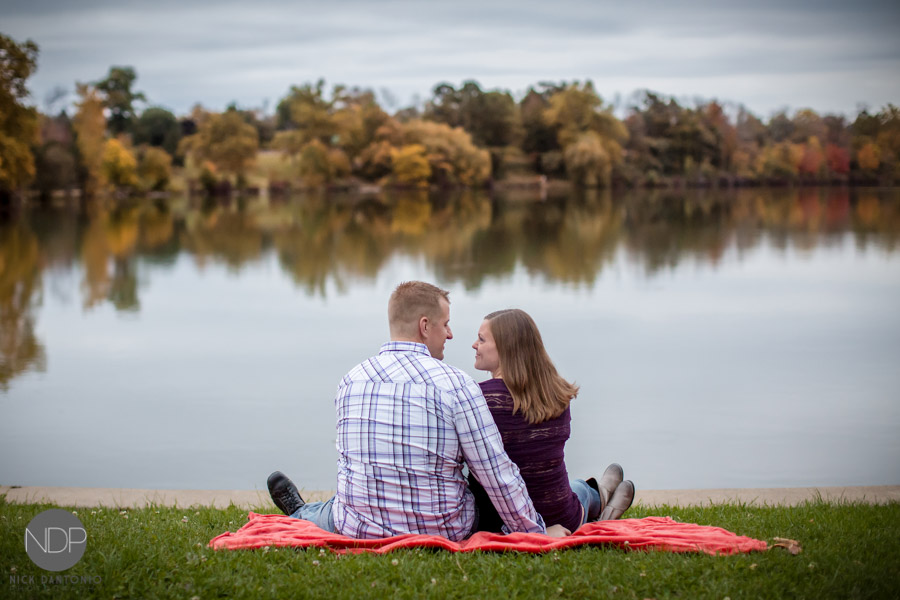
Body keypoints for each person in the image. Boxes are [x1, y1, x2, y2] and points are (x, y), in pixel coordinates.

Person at [267, 281, 570, 540]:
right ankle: (304, 511)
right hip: (443, 528)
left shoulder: (351, 380)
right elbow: (495, 472)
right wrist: (534, 532)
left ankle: (302, 512)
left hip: (358, 527)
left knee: (330, 509)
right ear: (425, 326)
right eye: (446, 324)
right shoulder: (457, 384)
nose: (450, 334)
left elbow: (349, 463)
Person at [468, 308, 635, 534]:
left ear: (506, 348)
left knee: (578, 488)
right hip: (561, 515)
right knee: (578, 489)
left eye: (481, 339)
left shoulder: (477, 400)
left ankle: (601, 495)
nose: (474, 345)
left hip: (501, 520)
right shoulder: (556, 394)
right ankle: (600, 495)